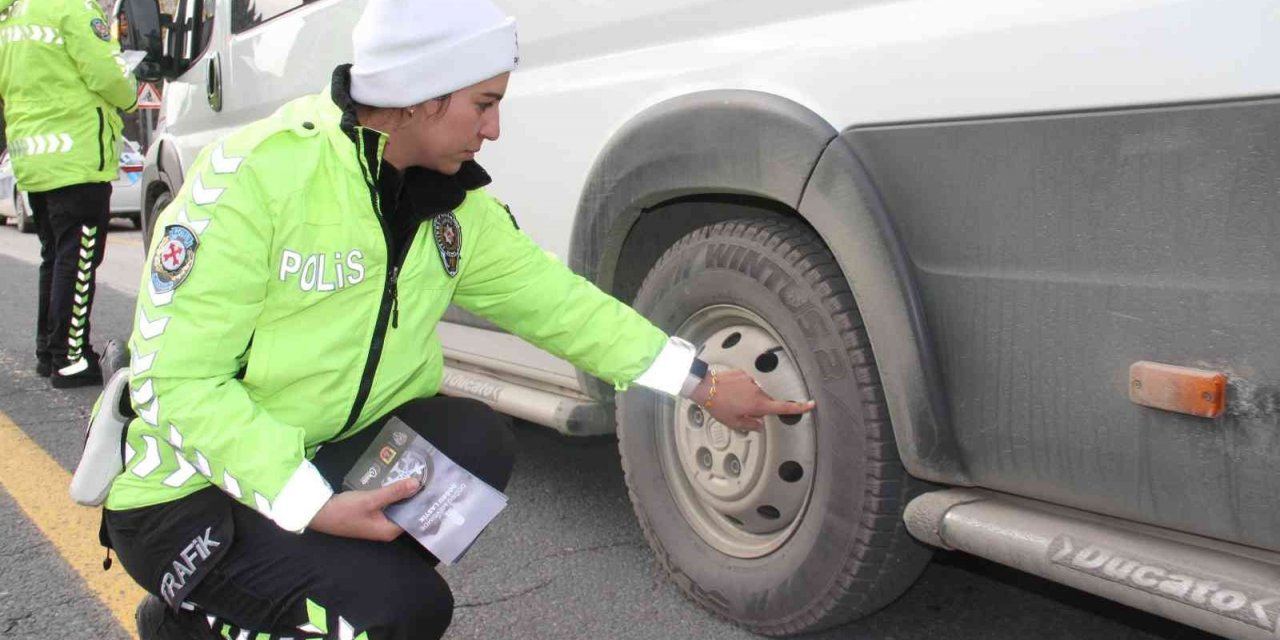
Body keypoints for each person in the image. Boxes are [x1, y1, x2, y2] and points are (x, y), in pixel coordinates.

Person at [93, 0, 814, 638]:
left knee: (473, 441)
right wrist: (308, 503)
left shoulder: (451, 210)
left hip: (313, 451)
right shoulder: (254, 180)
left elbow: (565, 309)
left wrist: (700, 383)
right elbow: (176, 384)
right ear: (419, 97)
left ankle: (290, 588)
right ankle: (196, 612)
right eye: (483, 103)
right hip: (189, 496)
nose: (495, 129)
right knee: (401, 613)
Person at [0, 0, 137, 387]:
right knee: (78, 261)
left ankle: (48, 352)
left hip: (36, 160)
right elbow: (106, 74)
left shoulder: (12, 16)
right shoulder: (71, 9)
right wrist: (130, 96)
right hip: (76, 156)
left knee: (56, 257)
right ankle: (70, 357)